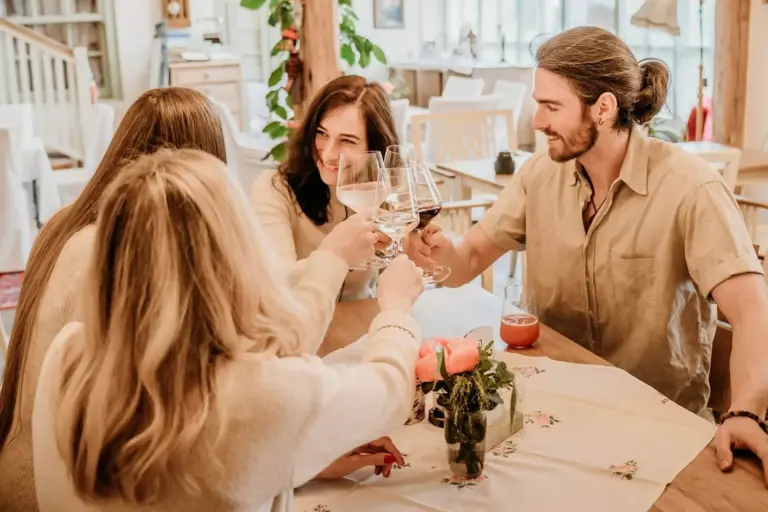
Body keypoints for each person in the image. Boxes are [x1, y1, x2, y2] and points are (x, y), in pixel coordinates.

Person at [409, 26, 768, 483]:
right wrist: (431, 246)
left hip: (658, 429)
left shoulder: (691, 189)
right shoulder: (539, 175)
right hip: (553, 414)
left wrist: (747, 413)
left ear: (603, 108)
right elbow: (469, 260)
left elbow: (753, 310)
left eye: (551, 106)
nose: (536, 121)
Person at [0, 86, 373, 511]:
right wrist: (295, 453)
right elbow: (223, 382)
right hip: (65, 488)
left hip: (31, 462)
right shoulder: (135, 250)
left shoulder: (66, 222)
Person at [31, 149, 425, 511]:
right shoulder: (252, 394)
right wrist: (395, 309)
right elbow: (388, 390)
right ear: (232, 254)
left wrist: (296, 457)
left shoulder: (67, 355)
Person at [251, 74, 399, 301]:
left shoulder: (383, 191)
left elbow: (395, 280)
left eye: (347, 140)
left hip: (358, 323)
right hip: (299, 326)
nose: (328, 153)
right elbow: (277, 283)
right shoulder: (275, 189)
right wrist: (336, 251)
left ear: (374, 147)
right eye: (321, 134)